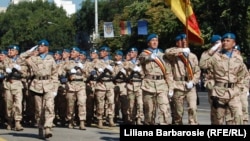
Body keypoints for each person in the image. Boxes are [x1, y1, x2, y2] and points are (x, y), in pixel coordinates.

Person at [203, 33, 245, 124]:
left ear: (233, 43)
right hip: (219, 93)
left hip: (234, 93)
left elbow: (242, 75)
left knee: (238, 117)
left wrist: (239, 88)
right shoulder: (215, 56)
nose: (225, 42)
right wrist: (213, 49)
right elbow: (202, 63)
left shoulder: (238, 58)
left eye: (228, 41)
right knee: (218, 120)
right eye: (223, 41)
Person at [20, 39, 58, 138]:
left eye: (41, 46)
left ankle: (48, 128)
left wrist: (55, 88)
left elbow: (54, 74)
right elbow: (20, 58)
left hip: (49, 85)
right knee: (39, 110)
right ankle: (40, 127)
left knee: (49, 106)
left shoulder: (51, 59)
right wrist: (29, 51)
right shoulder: (33, 58)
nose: (39, 48)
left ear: (46, 48)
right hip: (36, 86)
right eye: (38, 46)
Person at [165, 33, 201, 125]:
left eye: (185, 40)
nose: (184, 42)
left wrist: (193, 82)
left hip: (190, 86)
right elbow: (167, 52)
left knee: (193, 108)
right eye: (182, 40)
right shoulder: (174, 56)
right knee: (178, 112)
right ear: (178, 43)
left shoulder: (192, 56)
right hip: (178, 85)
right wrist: (181, 50)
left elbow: (197, 71)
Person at [138, 33, 173, 125]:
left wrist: (171, 88)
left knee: (164, 109)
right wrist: (149, 57)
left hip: (162, 85)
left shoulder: (163, 55)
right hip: (148, 85)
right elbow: (140, 60)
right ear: (148, 43)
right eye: (152, 40)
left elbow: (168, 72)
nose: (155, 42)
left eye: (156, 40)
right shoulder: (144, 54)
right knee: (149, 112)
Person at [3, 45, 27, 131]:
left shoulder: (21, 61)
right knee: (8, 104)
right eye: (9, 50)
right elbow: (3, 68)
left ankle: (17, 122)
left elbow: (25, 73)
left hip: (17, 83)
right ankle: (9, 121)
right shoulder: (6, 59)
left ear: (17, 52)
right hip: (8, 84)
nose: (9, 51)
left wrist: (19, 68)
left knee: (18, 104)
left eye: (12, 50)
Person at [199, 34, 222, 124]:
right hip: (214, 85)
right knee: (215, 111)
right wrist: (212, 50)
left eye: (220, 43)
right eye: (217, 43)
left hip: (226, 86)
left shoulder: (225, 53)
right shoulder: (208, 54)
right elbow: (202, 64)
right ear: (213, 44)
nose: (220, 45)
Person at [123, 47, 144, 125]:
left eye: (132, 52)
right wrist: (133, 67)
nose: (130, 53)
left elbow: (144, 74)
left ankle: (139, 119)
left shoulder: (140, 62)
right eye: (130, 52)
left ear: (136, 53)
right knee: (131, 104)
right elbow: (125, 67)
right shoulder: (127, 62)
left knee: (140, 103)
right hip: (130, 85)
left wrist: (140, 70)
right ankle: (132, 118)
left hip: (139, 85)